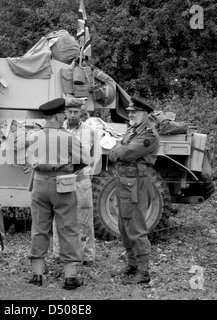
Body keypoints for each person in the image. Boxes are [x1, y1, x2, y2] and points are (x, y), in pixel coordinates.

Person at [26, 97, 91, 290]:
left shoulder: (33, 136)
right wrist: (69, 167)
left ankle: (37, 274)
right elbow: (85, 160)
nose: (65, 116)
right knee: (68, 228)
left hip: (39, 184)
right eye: (63, 113)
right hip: (62, 185)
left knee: (39, 228)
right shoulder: (68, 137)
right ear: (57, 115)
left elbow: (28, 160)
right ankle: (70, 277)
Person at [108, 97, 159, 284]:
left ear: (144, 114)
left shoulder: (149, 135)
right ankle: (133, 265)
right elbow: (116, 152)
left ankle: (144, 272)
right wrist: (120, 150)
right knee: (123, 226)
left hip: (136, 184)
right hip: (124, 182)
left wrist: (120, 150)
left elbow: (126, 153)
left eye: (134, 112)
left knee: (136, 227)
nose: (130, 114)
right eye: (129, 111)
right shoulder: (132, 131)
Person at [52, 101, 98, 267]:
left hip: (82, 180)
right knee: (61, 218)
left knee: (84, 219)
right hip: (62, 181)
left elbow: (95, 157)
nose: (72, 115)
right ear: (65, 113)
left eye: (75, 112)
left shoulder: (91, 132)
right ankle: (59, 254)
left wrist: (87, 176)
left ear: (81, 113)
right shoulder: (57, 130)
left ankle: (86, 255)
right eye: (69, 112)